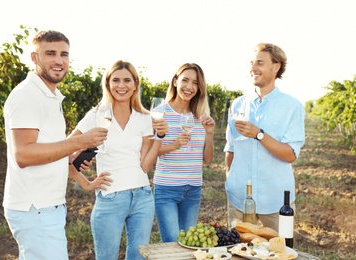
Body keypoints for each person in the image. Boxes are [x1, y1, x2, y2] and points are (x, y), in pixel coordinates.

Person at [3, 30, 108, 260]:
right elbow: (24, 155)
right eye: (50, 53)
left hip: (46, 206)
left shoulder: (50, 96)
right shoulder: (27, 96)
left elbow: (46, 148)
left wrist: (71, 156)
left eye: (64, 54)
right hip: (35, 208)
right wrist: (79, 141)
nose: (59, 60)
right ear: (34, 58)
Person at [69, 60, 168, 260]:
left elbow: (145, 165)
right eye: (115, 80)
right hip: (110, 198)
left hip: (142, 197)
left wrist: (159, 137)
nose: (121, 86)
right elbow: (62, 151)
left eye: (126, 80)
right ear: (107, 83)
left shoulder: (144, 118)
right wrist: (86, 184)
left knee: (138, 257)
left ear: (135, 84)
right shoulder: (96, 115)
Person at [224, 43, 305, 231]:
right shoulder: (237, 105)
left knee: (281, 252)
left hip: (276, 200)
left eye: (260, 63)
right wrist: (230, 181)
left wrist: (259, 134)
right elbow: (231, 149)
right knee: (236, 252)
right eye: (251, 63)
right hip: (239, 199)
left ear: (276, 67)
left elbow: (290, 154)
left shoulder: (292, 106)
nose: (253, 68)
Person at [153, 63, 215, 242]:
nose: (189, 87)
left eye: (195, 83)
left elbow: (208, 159)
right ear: (175, 81)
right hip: (167, 189)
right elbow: (148, 153)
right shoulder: (159, 114)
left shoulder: (201, 115)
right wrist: (173, 145)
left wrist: (209, 134)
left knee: (188, 243)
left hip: (193, 190)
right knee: (172, 243)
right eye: (185, 80)